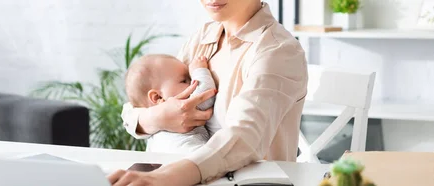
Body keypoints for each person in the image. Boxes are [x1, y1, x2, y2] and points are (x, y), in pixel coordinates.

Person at [108, 0, 308, 185]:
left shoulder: (277, 50)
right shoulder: (204, 37)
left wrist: (162, 178)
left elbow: (244, 139)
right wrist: (157, 116)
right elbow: (137, 106)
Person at [123, 54, 217, 154]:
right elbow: (206, 96)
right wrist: (199, 71)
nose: (191, 81)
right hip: (195, 158)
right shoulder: (184, 106)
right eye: (184, 80)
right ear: (157, 97)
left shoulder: (154, 137)